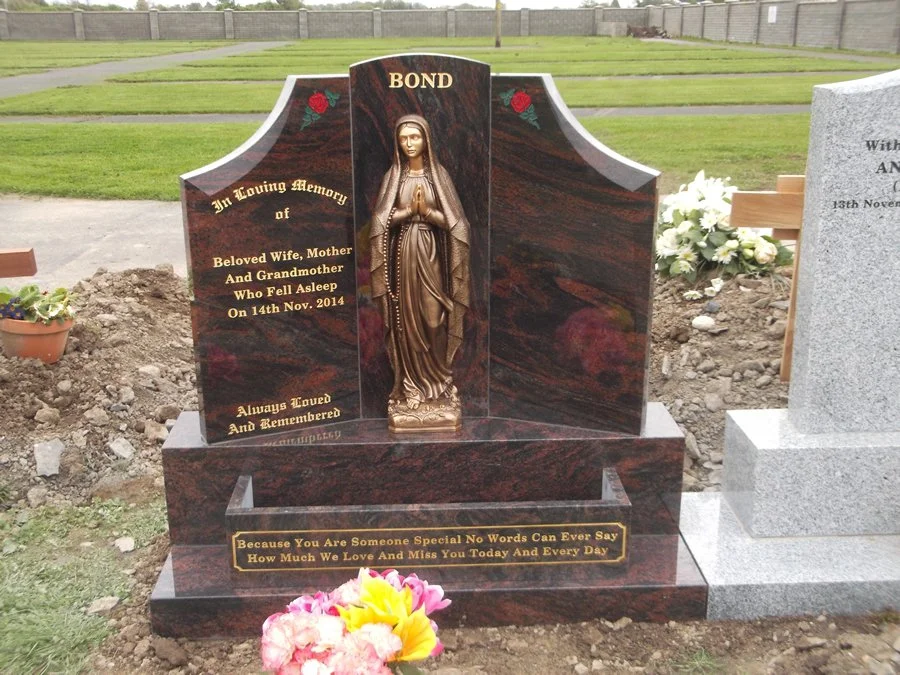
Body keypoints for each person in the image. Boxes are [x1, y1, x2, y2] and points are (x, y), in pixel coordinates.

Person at [369, 115, 471, 416]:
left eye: (415, 137)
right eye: (403, 139)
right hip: (403, 255)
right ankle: (411, 386)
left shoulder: (438, 176)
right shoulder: (394, 177)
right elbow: (379, 222)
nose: (409, 144)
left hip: (432, 254)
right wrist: (403, 214)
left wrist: (427, 212)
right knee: (406, 321)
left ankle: (439, 383)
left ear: (426, 139)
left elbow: (459, 226)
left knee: (433, 319)